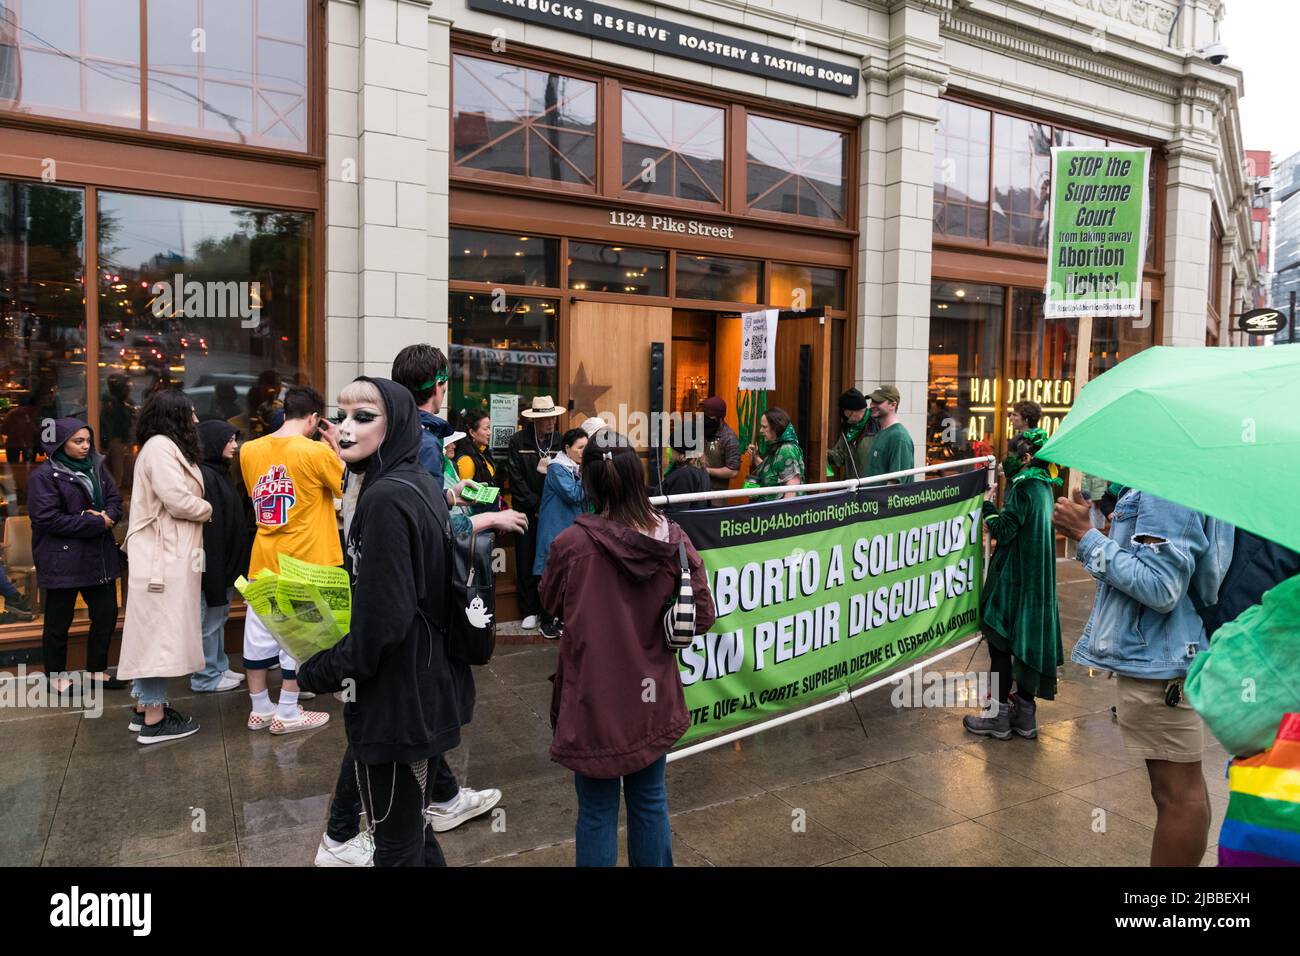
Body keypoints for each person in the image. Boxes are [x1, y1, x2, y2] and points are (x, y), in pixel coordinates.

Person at [298, 378, 468, 867]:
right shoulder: (404, 482)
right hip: (418, 690)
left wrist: (319, 670)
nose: (345, 429)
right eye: (342, 415)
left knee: (395, 846)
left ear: (395, 426)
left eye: (363, 417)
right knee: (408, 836)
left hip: (400, 699)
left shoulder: (388, 497)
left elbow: (383, 624)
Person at [540, 430, 716, 866]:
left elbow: (549, 603)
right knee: (650, 798)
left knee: (597, 811)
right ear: (638, 481)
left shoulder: (570, 546)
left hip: (592, 696)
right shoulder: (671, 539)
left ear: (591, 484)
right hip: (651, 692)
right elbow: (703, 613)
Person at [1054, 485, 1233, 866]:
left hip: (1161, 663)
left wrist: (1084, 537)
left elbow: (1160, 586)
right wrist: (1101, 532)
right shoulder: (1183, 476)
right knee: (1183, 790)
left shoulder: (1168, 485)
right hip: (1171, 657)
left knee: (1177, 796)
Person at [239, 385, 340, 735]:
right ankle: (288, 711)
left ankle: (259, 709)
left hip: (264, 557)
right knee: (300, 640)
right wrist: (337, 445)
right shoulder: (315, 451)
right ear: (313, 417)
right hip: (306, 559)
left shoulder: (249, 450)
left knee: (259, 636)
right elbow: (346, 485)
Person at [117, 390, 213, 743]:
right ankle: (155, 718)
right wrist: (206, 508)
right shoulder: (160, 448)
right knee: (159, 637)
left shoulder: (158, 447)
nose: (196, 421)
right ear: (175, 416)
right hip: (164, 558)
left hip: (166, 555)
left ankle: (145, 708)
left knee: (153, 633)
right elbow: (176, 500)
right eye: (191, 414)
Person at [963, 428, 1063, 740]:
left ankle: (997, 719)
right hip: (1036, 583)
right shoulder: (1046, 486)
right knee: (1025, 647)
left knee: (1000, 649)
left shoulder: (1023, 487)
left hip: (1013, 583)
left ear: (1027, 457)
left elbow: (1004, 531)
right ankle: (1025, 717)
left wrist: (987, 507)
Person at [28, 418, 126, 693]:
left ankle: (96, 671)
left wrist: (108, 516)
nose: (85, 447)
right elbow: (47, 519)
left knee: (106, 615)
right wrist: (95, 522)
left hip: (99, 556)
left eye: (87, 441)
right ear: (61, 444)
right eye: (78, 441)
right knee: (59, 621)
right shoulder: (43, 476)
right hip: (63, 559)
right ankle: (56, 678)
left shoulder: (96, 468)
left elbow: (115, 501)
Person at [192, 421, 251, 694]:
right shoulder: (206, 475)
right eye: (229, 440)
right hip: (214, 567)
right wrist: (215, 572)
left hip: (224, 567)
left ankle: (218, 666)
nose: (235, 445)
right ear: (214, 442)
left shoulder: (219, 472)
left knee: (219, 617)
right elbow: (212, 530)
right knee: (209, 621)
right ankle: (205, 677)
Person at [505, 395, 564, 630]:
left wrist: (546, 507)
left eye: (553, 418)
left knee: (550, 560)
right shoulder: (518, 441)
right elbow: (515, 479)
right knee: (526, 557)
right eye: (547, 419)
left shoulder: (559, 440)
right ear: (536, 419)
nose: (551, 423)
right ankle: (528, 609)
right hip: (526, 511)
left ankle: (547, 609)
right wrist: (535, 505)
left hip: (552, 511)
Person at [533, 427, 587, 638]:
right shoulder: (557, 468)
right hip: (555, 529)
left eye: (586, 447)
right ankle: (546, 621)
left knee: (568, 575)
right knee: (551, 574)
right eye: (580, 447)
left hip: (569, 528)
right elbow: (574, 495)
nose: (584, 452)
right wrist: (586, 475)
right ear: (567, 448)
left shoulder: (572, 467)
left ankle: (561, 618)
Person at [390, 344, 456, 492]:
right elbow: (424, 510)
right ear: (438, 385)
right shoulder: (425, 443)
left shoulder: (385, 429)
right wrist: (483, 517)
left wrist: (448, 497)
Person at [745, 407, 804, 501]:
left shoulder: (786, 450)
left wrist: (783, 514)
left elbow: (792, 489)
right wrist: (755, 457)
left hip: (777, 513)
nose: (761, 430)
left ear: (776, 428)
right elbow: (773, 472)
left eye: (764, 427)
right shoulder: (778, 446)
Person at [454, 408, 501, 515]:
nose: (489, 433)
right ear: (472, 432)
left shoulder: (482, 452)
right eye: (486, 429)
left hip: (489, 517)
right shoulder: (466, 460)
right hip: (478, 521)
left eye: (489, 428)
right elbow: (462, 498)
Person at [865, 385, 915, 485]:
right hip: (871, 499)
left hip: (883, 500)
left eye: (878, 402)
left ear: (893, 405)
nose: (872, 405)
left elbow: (895, 483)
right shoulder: (882, 432)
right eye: (872, 401)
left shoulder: (899, 436)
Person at [827, 388, 874, 480]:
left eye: (844, 410)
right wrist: (825, 454)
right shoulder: (848, 429)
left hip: (872, 487)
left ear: (852, 411)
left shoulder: (876, 425)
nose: (843, 414)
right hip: (853, 486)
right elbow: (840, 457)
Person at [699, 396, 740, 495]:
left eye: (710, 418)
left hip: (716, 494)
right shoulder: (699, 429)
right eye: (704, 416)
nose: (706, 420)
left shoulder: (729, 438)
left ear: (720, 418)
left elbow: (733, 471)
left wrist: (706, 471)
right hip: (696, 489)